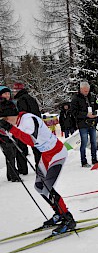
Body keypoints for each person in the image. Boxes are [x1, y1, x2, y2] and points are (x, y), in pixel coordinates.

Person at [0, 99, 76, 234]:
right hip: (45, 155)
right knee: (40, 187)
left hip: (57, 153)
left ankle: (68, 218)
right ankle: (58, 213)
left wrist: (10, 128)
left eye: (5, 118)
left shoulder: (28, 120)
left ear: (11, 115)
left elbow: (31, 141)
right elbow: (9, 138)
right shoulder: (15, 122)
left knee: (48, 188)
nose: (5, 120)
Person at [13, 82, 42, 168]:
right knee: (36, 147)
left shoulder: (21, 100)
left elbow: (23, 114)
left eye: (14, 90)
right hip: (35, 125)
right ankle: (40, 166)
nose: (13, 93)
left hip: (26, 126)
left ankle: (23, 168)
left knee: (21, 147)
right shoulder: (31, 98)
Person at [70, 81, 98, 167]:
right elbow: (74, 112)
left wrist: (96, 113)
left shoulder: (91, 97)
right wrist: (86, 114)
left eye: (88, 91)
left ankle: (94, 159)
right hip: (82, 124)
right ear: (81, 89)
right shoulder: (75, 98)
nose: (87, 92)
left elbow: (96, 107)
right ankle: (84, 161)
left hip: (92, 123)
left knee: (94, 141)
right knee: (84, 142)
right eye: (85, 91)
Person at [0, 86, 19, 182]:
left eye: (8, 93)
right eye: (5, 93)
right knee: (10, 153)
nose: (7, 95)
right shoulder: (1, 104)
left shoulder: (11, 103)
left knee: (13, 153)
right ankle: (13, 175)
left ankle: (11, 174)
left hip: (12, 129)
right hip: (3, 132)